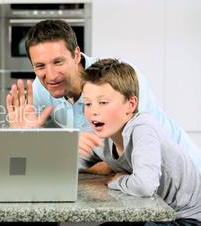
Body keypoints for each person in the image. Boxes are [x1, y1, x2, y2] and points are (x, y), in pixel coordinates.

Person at [6, 19, 201, 171]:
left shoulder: (118, 78)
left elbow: (136, 155)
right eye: (40, 66)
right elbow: (28, 156)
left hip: (181, 175)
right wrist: (24, 138)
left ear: (75, 55)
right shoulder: (42, 89)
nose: (50, 75)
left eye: (58, 62)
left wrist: (64, 147)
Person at [81, 58, 201, 225]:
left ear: (130, 105)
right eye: (87, 103)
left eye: (103, 103)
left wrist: (117, 180)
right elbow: (70, 165)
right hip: (155, 212)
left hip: (186, 218)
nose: (93, 111)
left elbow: (144, 185)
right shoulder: (101, 137)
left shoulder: (143, 128)